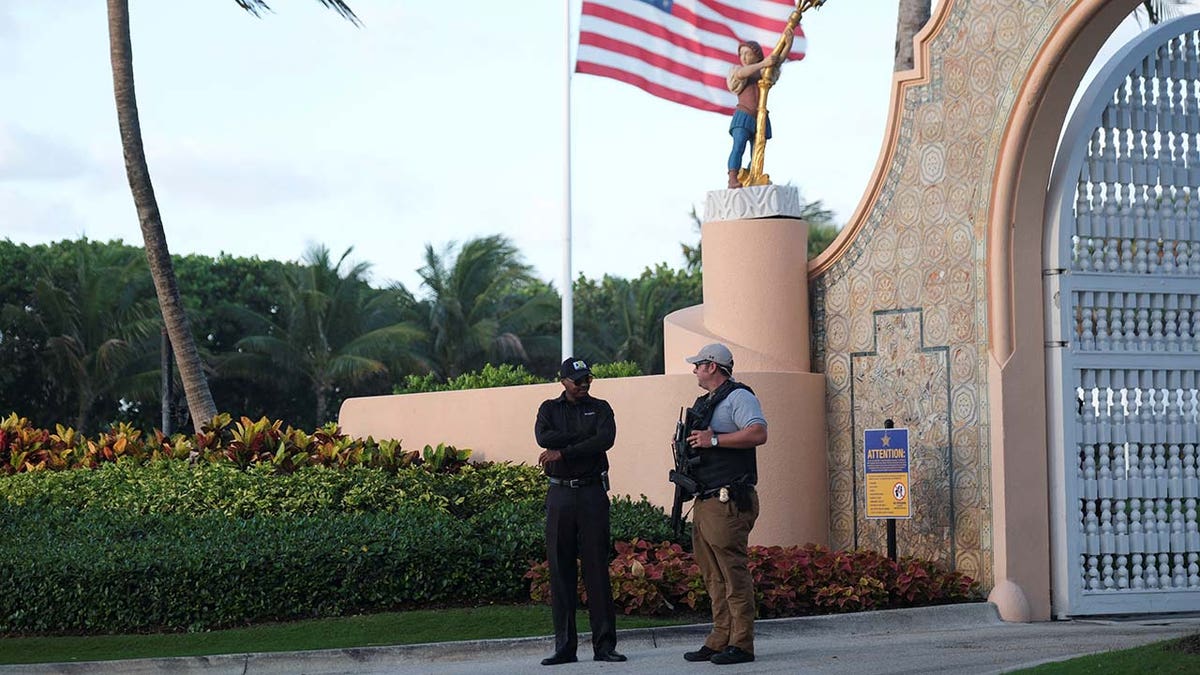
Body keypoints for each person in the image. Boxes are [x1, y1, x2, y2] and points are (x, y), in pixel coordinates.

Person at [679, 343, 768, 665]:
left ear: (713, 366)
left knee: (733, 573)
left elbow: (758, 433)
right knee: (712, 575)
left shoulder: (738, 397)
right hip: (706, 498)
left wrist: (713, 439)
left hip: (728, 499)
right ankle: (720, 638)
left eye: (698, 364)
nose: (695, 370)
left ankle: (741, 643)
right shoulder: (707, 402)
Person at [535, 357, 626, 666]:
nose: (584, 384)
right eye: (578, 380)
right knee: (560, 571)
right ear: (563, 381)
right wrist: (583, 438)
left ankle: (605, 646)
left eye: (587, 379)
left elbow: (605, 440)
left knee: (596, 570)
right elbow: (543, 438)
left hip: (591, 493)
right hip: (560, 493)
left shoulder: (601, 408)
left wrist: (565, 450)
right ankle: (565, 647)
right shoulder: (549, 409)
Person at [725, 28, 794, 189]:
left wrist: (788, 46)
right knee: (739, 145)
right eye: (741, 54)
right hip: (744, 115)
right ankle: (732, 177)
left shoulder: (763, 72)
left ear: (756, 55)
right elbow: (742, 74)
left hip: (760, 117)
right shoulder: (739, 71)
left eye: (748, 54)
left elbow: (775, 63)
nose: (744, 57)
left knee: (757, 151)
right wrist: (764, 63)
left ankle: (751, 175)